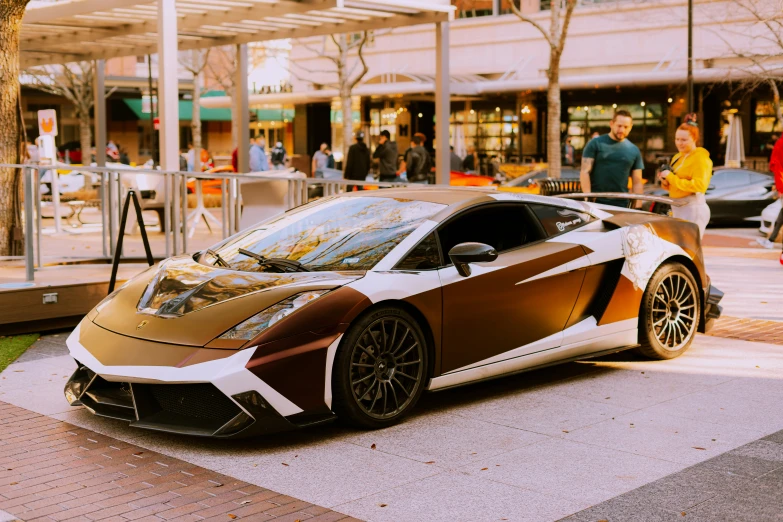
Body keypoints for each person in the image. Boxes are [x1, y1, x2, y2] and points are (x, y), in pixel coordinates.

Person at [658, 114, 712, 238]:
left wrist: (671, 177)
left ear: (694, 138)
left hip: (693, 208)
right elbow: (674, 186)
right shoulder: (677, 157)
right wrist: (665, 180)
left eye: (684, 140)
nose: (679, 143)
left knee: (688, 249)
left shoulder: (700, 158)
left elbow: (700, 186)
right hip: (678, 207)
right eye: (677, 139)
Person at [580, 109, 644, 207]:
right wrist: (587, 199)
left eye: (626, 127)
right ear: (611, 124)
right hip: (596, 203)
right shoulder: (595, 143)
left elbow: (637, 181)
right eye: (619, 126)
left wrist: (638, 206)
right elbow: (585, 172)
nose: (622, 130)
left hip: (622, 203)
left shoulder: (634, 150)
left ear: (631, 127)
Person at [759, 134, 783, 264]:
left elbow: (778, 166)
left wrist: (780, 187)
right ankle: (770, 241)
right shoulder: (780, 143)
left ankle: (770, 241)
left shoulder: (780, 143)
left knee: (782, 215)